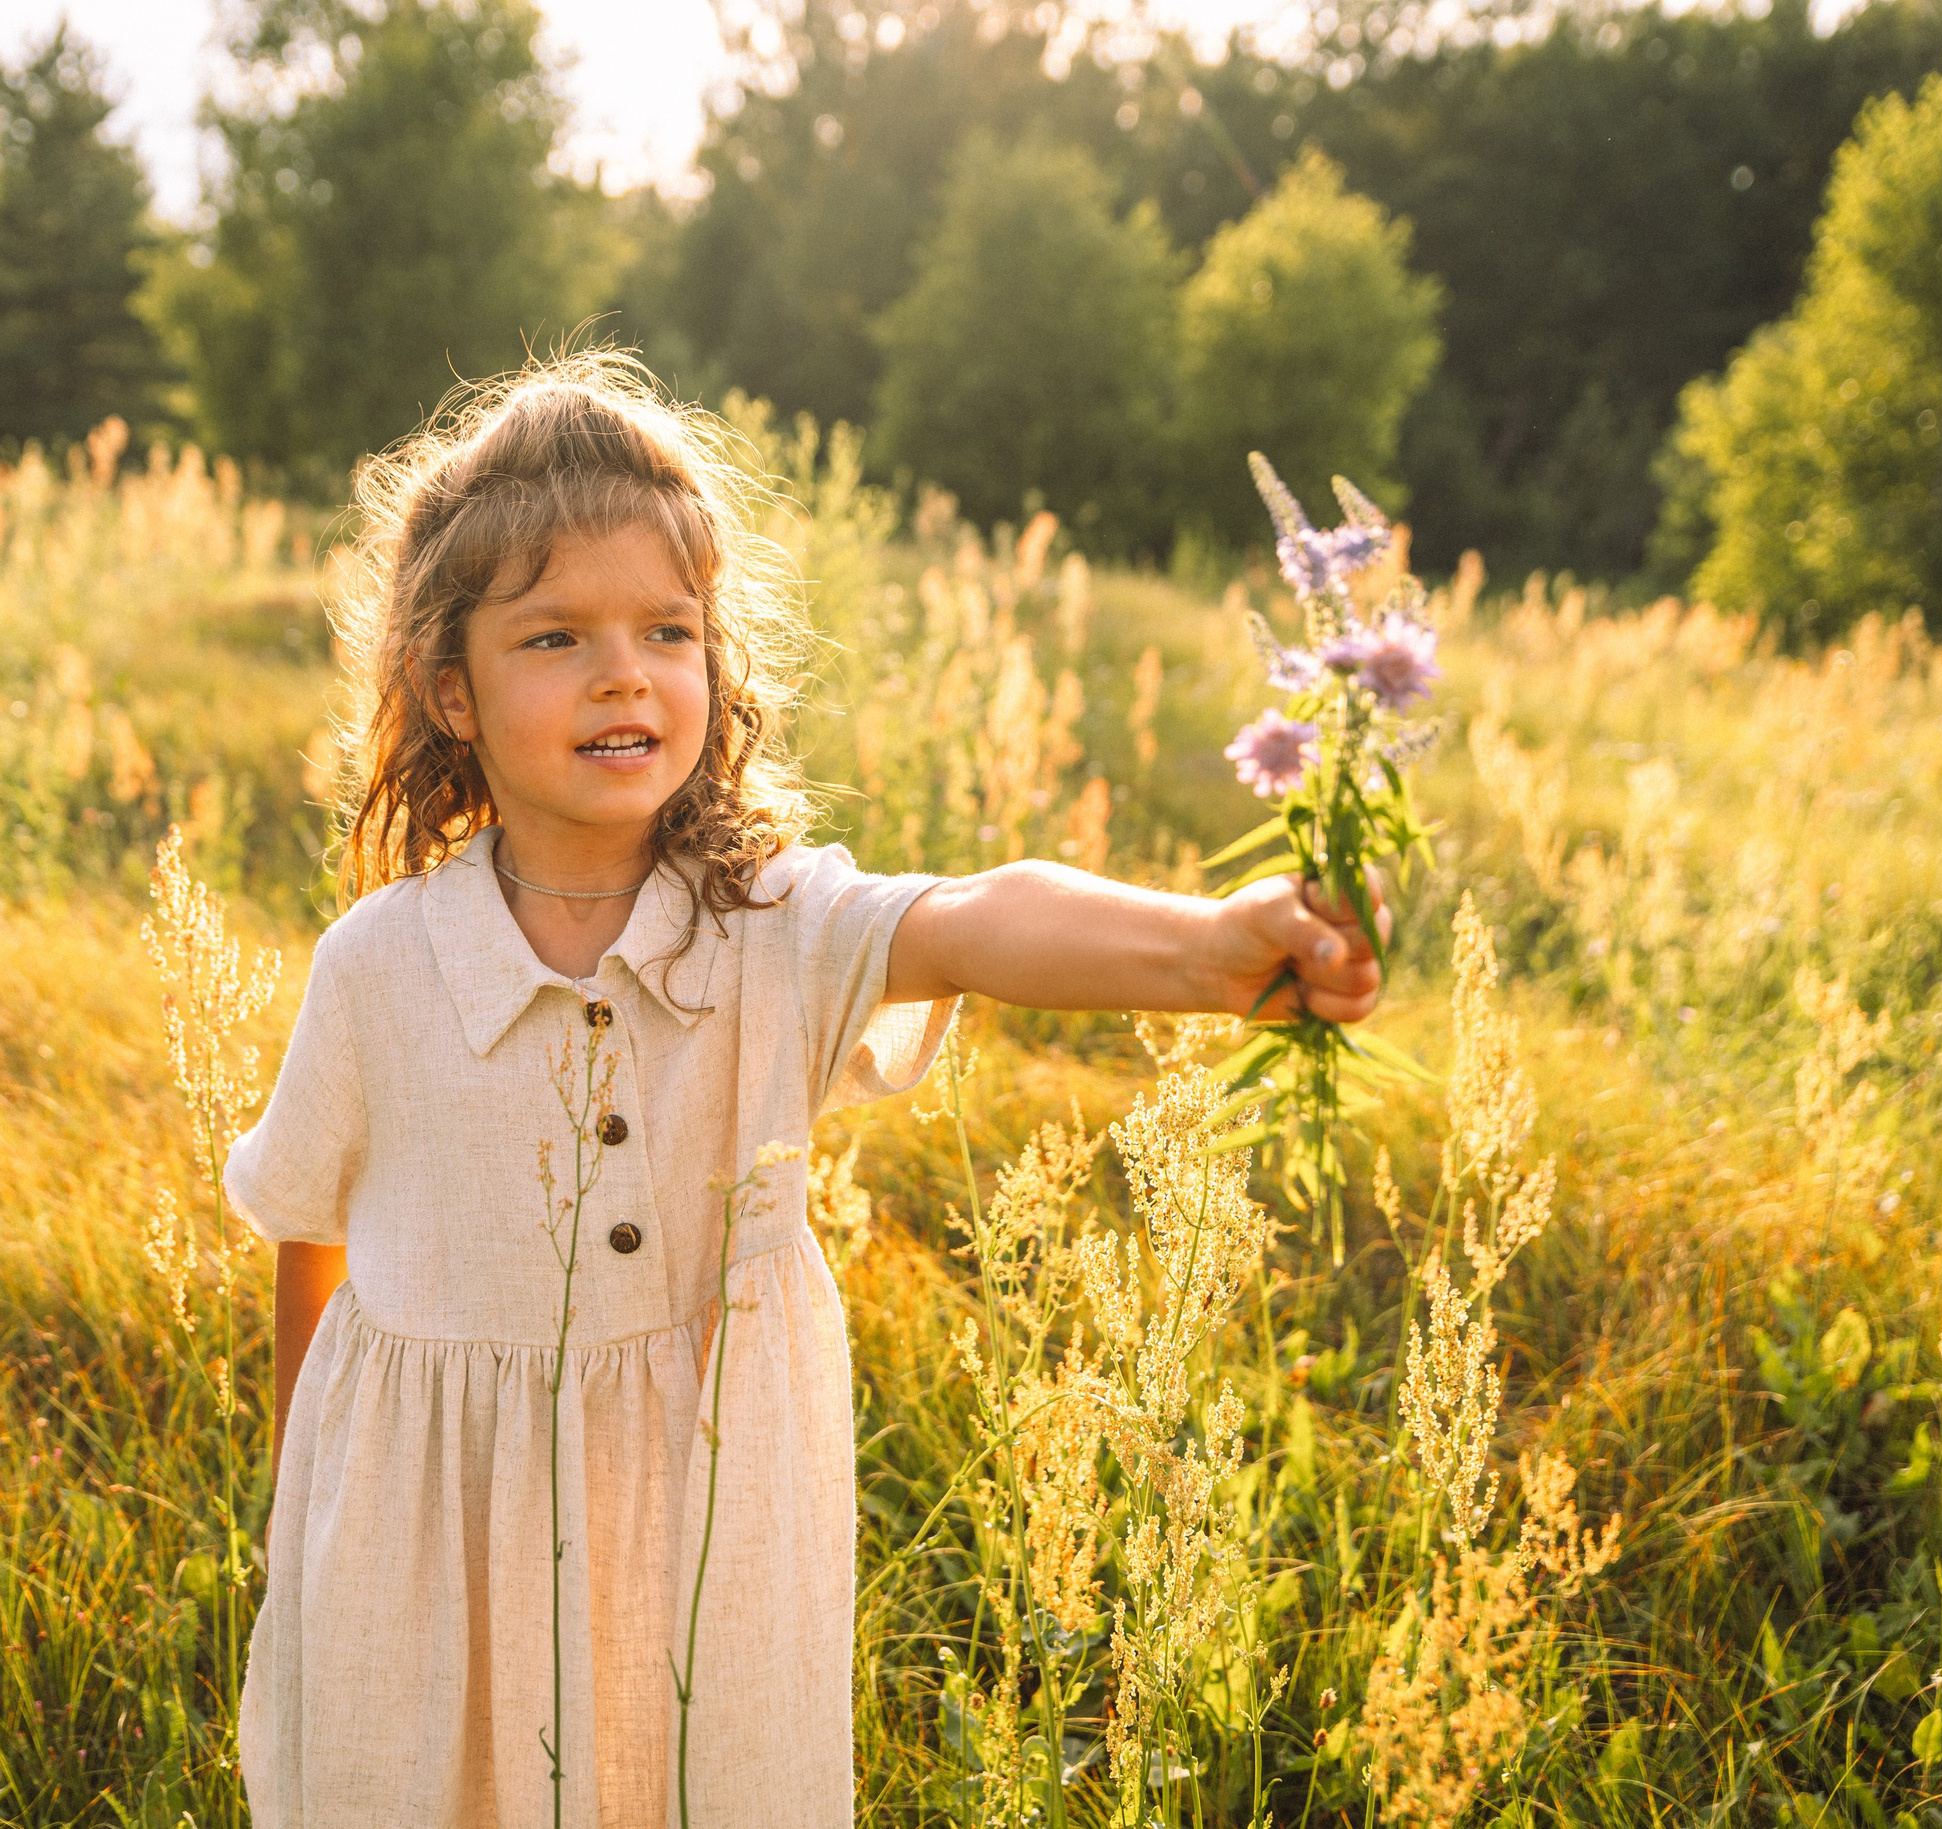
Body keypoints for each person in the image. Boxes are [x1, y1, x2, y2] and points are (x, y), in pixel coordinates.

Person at [222, 353, 1388, 1829]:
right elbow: (301, 1231)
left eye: (668, 629)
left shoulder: (766, 924)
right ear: (448, 686)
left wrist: (1215, 947)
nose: (624, 671)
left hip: (712, 1545)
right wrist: (304, 1517)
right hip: (435, 1568)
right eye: (555, 637)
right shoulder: (379, 969)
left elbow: (970, 914)